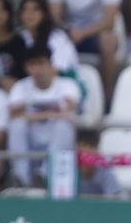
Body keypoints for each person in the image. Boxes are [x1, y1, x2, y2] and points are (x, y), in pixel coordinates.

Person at [5, 43, 77, 187]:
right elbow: (14, 115)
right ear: (26, 68)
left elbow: (68, 111)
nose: (37, 69)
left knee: (64, 125)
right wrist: (50, 113)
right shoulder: (20, 87)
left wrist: (30, 112)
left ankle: (44, 176)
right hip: (30, 140)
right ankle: (20, 178)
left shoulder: (67, 85)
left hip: (56, 139)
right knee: (16, 126)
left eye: (41, 63)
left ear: (50, 64)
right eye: (32, 64)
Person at [16, 0, 79, 77]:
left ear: (44, 14)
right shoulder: (20, 36)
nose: (30, 13)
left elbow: (58, 69)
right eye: (25, 9)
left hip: (62, 81)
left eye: (35, 9)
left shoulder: (58, 37)